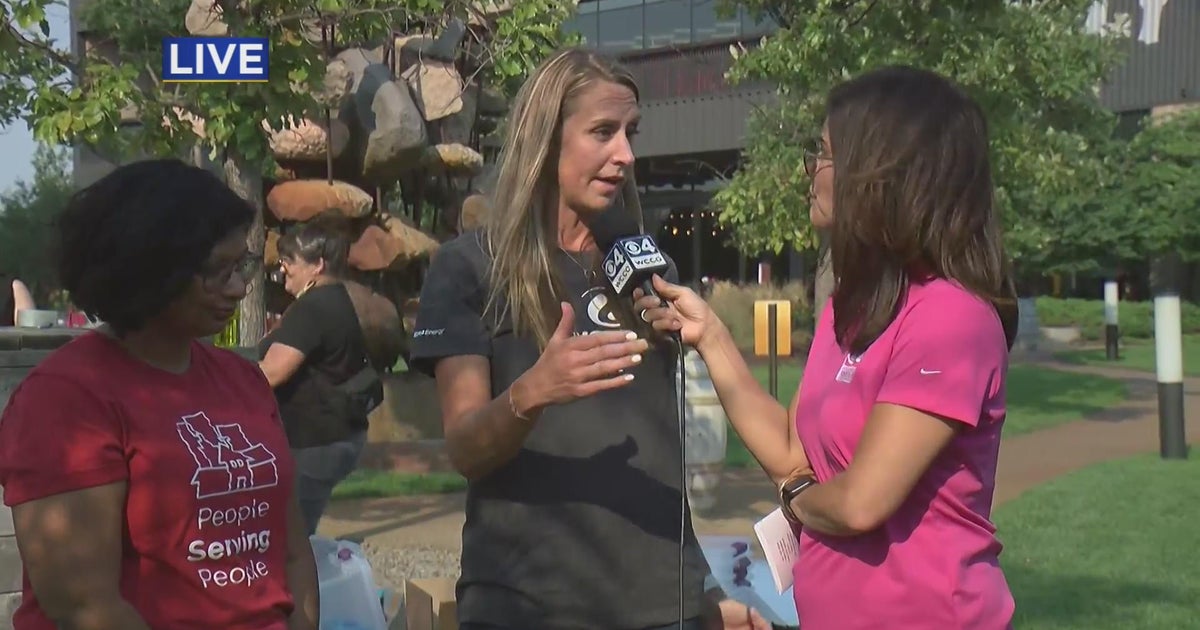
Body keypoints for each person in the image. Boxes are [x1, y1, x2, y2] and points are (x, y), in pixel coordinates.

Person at [636, 66, 1018, 630]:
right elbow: (793, 449)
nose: (811, 170)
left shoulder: (951, 318)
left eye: (824, 153)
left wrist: (796, 501)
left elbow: (860, 502)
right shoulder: (851, 308)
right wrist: (712, 337)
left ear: (881, 174)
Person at [408, 47, 768, 630]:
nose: (625, 154)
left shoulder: (650, 272)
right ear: (545, 141)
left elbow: (660, 452)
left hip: (663, 607)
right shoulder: (469, 268)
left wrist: (700, 592)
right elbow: (466, 449)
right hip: (528, 607)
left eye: (630, 132)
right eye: (602, 132)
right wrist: (533, 392)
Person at [0, 159, 319, 630]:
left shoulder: (242, 380)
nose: (239, 287)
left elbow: (291, 551)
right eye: (217, 270)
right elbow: (84, 607)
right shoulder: (67, 400)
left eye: (243, 264)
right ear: (147, 269)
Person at [258, 219, 379, 535]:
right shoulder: (336, 298)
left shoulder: (313, 308)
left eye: (290, 261)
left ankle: (304, 585)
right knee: (293, 533)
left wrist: (215, 383)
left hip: (315, 442)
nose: (283, 268)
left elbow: (270, 373)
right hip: (335, 436)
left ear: (318, 265)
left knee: (287, 540)